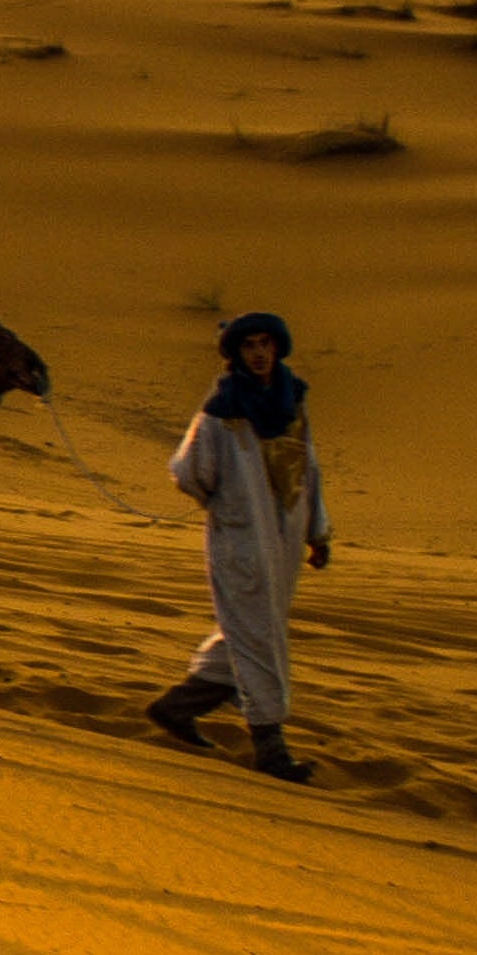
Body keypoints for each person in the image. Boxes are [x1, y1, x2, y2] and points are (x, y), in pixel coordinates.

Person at [147, 311, 326, 783]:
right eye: (250, 346)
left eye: (266, 343)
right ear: (238, 354)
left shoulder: (293, 401)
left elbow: (309, 469)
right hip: (241, 544)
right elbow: (188, 472)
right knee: (259, 636)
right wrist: (228, 507)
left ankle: (177, 707)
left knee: (249, 631)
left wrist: (317, 532)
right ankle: (270, 748)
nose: (260, 353)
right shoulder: (220, 411)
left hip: (284, 540)